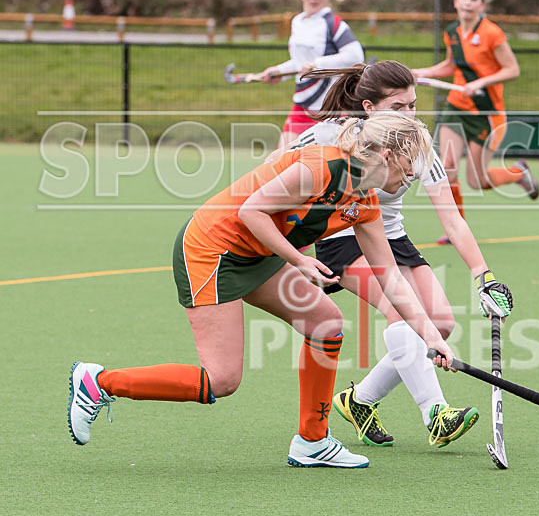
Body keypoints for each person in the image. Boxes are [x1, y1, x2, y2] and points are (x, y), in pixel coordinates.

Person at [67, 113, 456, 469]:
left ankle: (312, 441)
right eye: (407, 169)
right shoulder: (320, 167)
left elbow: (390, 278)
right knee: (221, 380)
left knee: (326, 324)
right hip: (212, 250)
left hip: (260, 251)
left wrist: (432, 337)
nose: (410, 178)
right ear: (387, 155)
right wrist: (299, 260)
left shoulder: (365, 203)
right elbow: (252, 210)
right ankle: (98, 383)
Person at [274, 61, 514, 448]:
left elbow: (452, 220)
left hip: (392, 237)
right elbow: (274, 169)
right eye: (398, 107)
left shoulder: (418, 143)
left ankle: (360, 400)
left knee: (441, 324)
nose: (409, 116)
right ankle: (436, 413)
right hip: (343, 235)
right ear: (368, 107)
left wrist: (482, 275)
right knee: (401, 312)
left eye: (413, 106)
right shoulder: (330, 135)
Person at [412, 0, 539, 245]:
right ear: (456, 2)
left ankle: (518, 172)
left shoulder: (492, 33)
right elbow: (450, 66)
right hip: (456, 108)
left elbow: (512, 70)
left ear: (482, 5)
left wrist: (479, 83)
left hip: (486, 112)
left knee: (477, 180)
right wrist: (421, 73)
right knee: (447, 169)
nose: (468, 3)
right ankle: (456, 229)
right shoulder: (452, 32)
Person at [260, 0, 364, 149]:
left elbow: (355, 56)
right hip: (303, 104)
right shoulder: (297, 22)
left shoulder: (334, 23)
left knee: (328, 166)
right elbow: (301, 62)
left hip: (330, 107)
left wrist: (318, 64)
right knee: (280, 159)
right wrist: (279, 72)